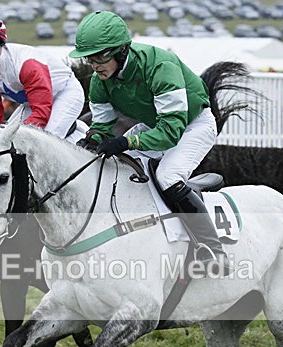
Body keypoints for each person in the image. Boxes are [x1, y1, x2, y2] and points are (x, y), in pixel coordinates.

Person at [69, 10, 230, 273]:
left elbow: (170, 132)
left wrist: (125, 142)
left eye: (100, 56)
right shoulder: (100, 82)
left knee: (167, 175)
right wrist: (92, 142)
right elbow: (101, 127)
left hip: (192, 125)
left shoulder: (159, 66)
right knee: (121, 170)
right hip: (157, 123)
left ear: (121, 50)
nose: (94, 65)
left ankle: (212, 249)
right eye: (89, 57)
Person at [0, 12, 85, 139]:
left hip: (65, 93)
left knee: (44, 139)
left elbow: (41, 113)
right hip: (32, 103)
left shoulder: (26, 65)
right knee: (7, 140)